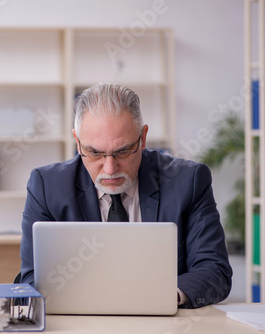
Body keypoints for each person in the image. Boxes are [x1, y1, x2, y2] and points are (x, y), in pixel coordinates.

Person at [19, 83, 232, 309]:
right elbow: (32, 279)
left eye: (122, 151)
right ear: (78, 142)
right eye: (95, 152)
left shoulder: (188, 181)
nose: (110, 169)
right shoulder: (47, 186)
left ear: (143, 138)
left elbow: (214, 272)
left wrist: (158, 297)